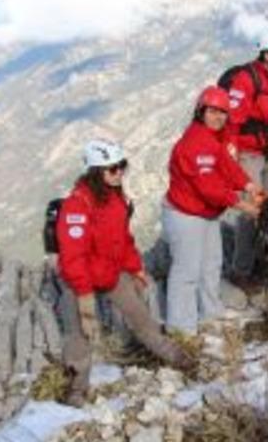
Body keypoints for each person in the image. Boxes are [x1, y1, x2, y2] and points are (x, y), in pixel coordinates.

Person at [57, 140, 194, 407]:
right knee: (79, 334)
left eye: (122, 166)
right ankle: (76, 389)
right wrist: (84, 297)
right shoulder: (76, 206)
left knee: (141, 318)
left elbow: (124, 239)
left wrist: (135, 268)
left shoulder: (116, 198)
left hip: (111, 272)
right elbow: (72, 256)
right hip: (80, 280)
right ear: (95, 171)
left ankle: (178, 358)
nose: (119, 173)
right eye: (112, 169)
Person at [162, 86, 261, 335]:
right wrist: (243, 205)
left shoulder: (211, 138)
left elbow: (226, 166)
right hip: (186, 215)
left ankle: (210, 312)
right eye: (213, 111)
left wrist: (248, 185)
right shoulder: (195, 143)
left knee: (211, 264)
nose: (218, 117)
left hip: (205, 214)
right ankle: (181, 329)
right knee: (187, 271)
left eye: (223, 113)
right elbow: (209, 188)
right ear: (201, 111)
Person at [218, 29, 268, 287]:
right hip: (248, 153)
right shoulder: (245, 79)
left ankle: (264, 260)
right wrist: (230, 149)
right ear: (267, 54)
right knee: (250, 212)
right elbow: (233, 119)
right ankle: (241, 270)